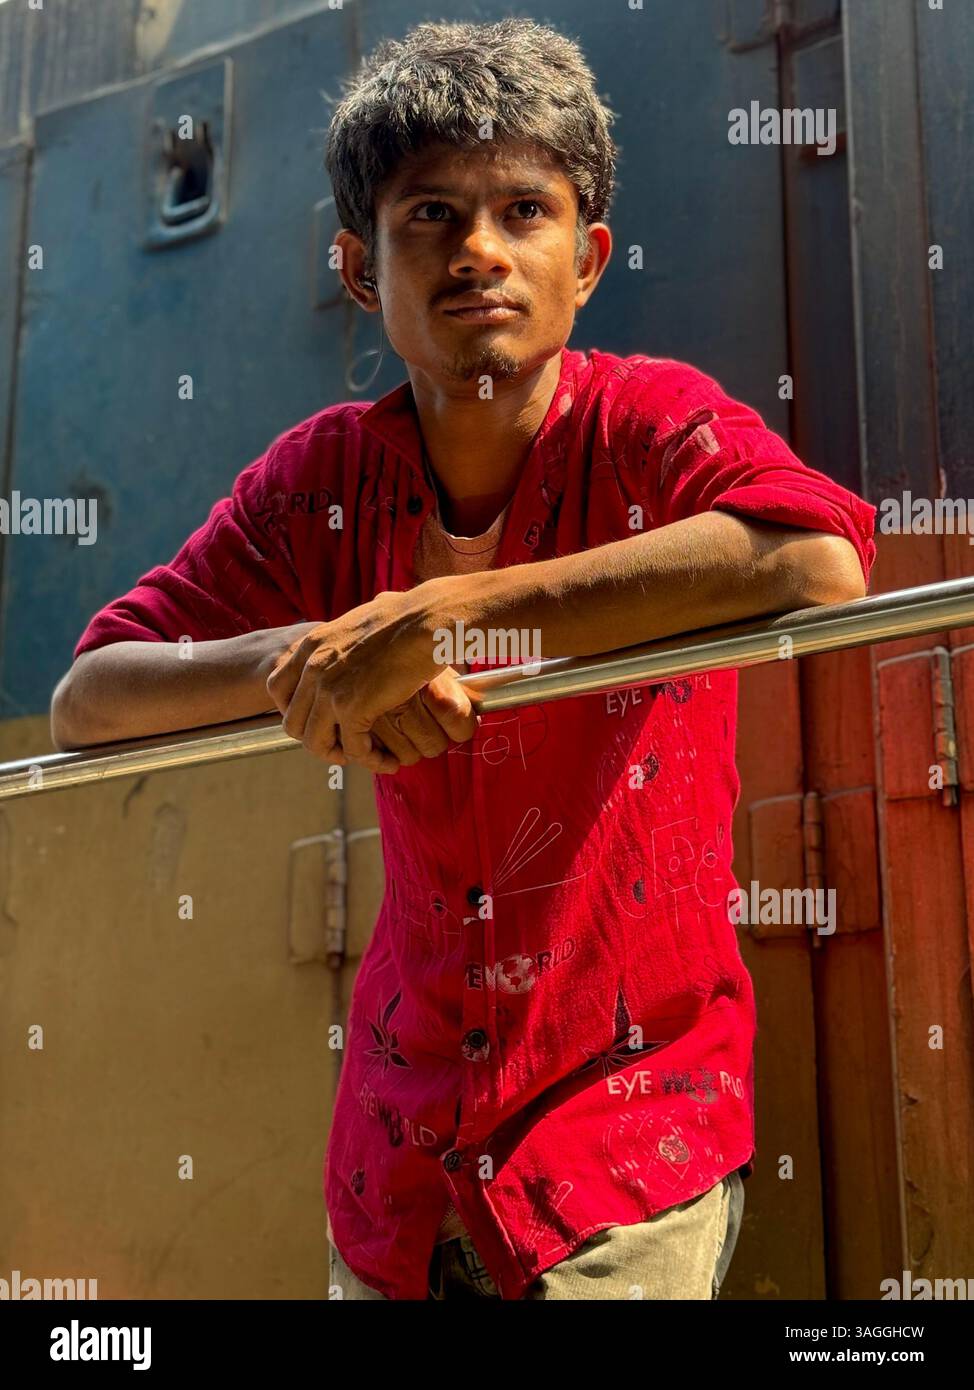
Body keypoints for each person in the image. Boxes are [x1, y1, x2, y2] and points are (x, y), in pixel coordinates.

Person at [52, 18, 876, 1300]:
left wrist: (444, 618)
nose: (478, 250)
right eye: (429, 214)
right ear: (355, 267)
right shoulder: (322, 480)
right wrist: (317, 662)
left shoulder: (651, 426)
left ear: (586, 260)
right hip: (397, 1157)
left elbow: (815, 559)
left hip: (623, 1132)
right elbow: (90, 696)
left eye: (523, 211)